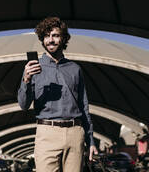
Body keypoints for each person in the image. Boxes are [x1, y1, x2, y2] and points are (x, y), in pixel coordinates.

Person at [18, 17, 98, 172]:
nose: (51, 40)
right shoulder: (33, 68)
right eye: (46, 36)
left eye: (55, 35)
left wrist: (91, 141)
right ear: (42, 40)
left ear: (63, 38)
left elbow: (84, 106)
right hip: (47, 133)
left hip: (75, 133)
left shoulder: (75, 69)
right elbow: (23, 104)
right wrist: (26, 79)